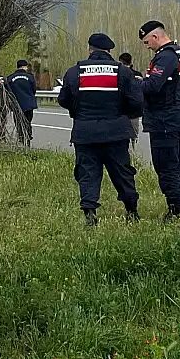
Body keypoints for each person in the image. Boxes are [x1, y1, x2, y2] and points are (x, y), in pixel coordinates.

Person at [57, 32, 144, 225]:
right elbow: (137, 102)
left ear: (89, 49)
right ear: (110, 51)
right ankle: (132, 212)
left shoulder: (74, 72)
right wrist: (122, 114)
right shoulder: (122, 71)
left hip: (85, 133)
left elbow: (63, 99)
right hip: (116, 132)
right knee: (123, 173)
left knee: (87, 173)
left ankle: (90, 214)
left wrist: (78, 112)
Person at [138, 20, 180, 221]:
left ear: (155, 36)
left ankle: (176, 210)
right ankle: (178, 205)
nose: (147, 47)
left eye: (146, 42)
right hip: (178, 114)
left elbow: (153, 85)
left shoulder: (166, 56)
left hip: (165, 118)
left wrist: (134, 84)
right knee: (176, 165)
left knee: (166, 165)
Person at [6, 59, 38, 145]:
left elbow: (8, 92)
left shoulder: (10, 78)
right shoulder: (30, 77)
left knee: (19, 124)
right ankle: (28, 136)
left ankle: (21, 139)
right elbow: (34, 89)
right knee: (27, 121)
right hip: (28, 104)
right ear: (25, 67)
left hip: (16, 105)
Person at [119, 52, 143, 150]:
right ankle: (134, 152)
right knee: (134, 135)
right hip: (135, 110)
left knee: (122, 135)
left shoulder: (119, 75)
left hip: (122, 110)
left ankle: (126, 153)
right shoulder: (137, 75)